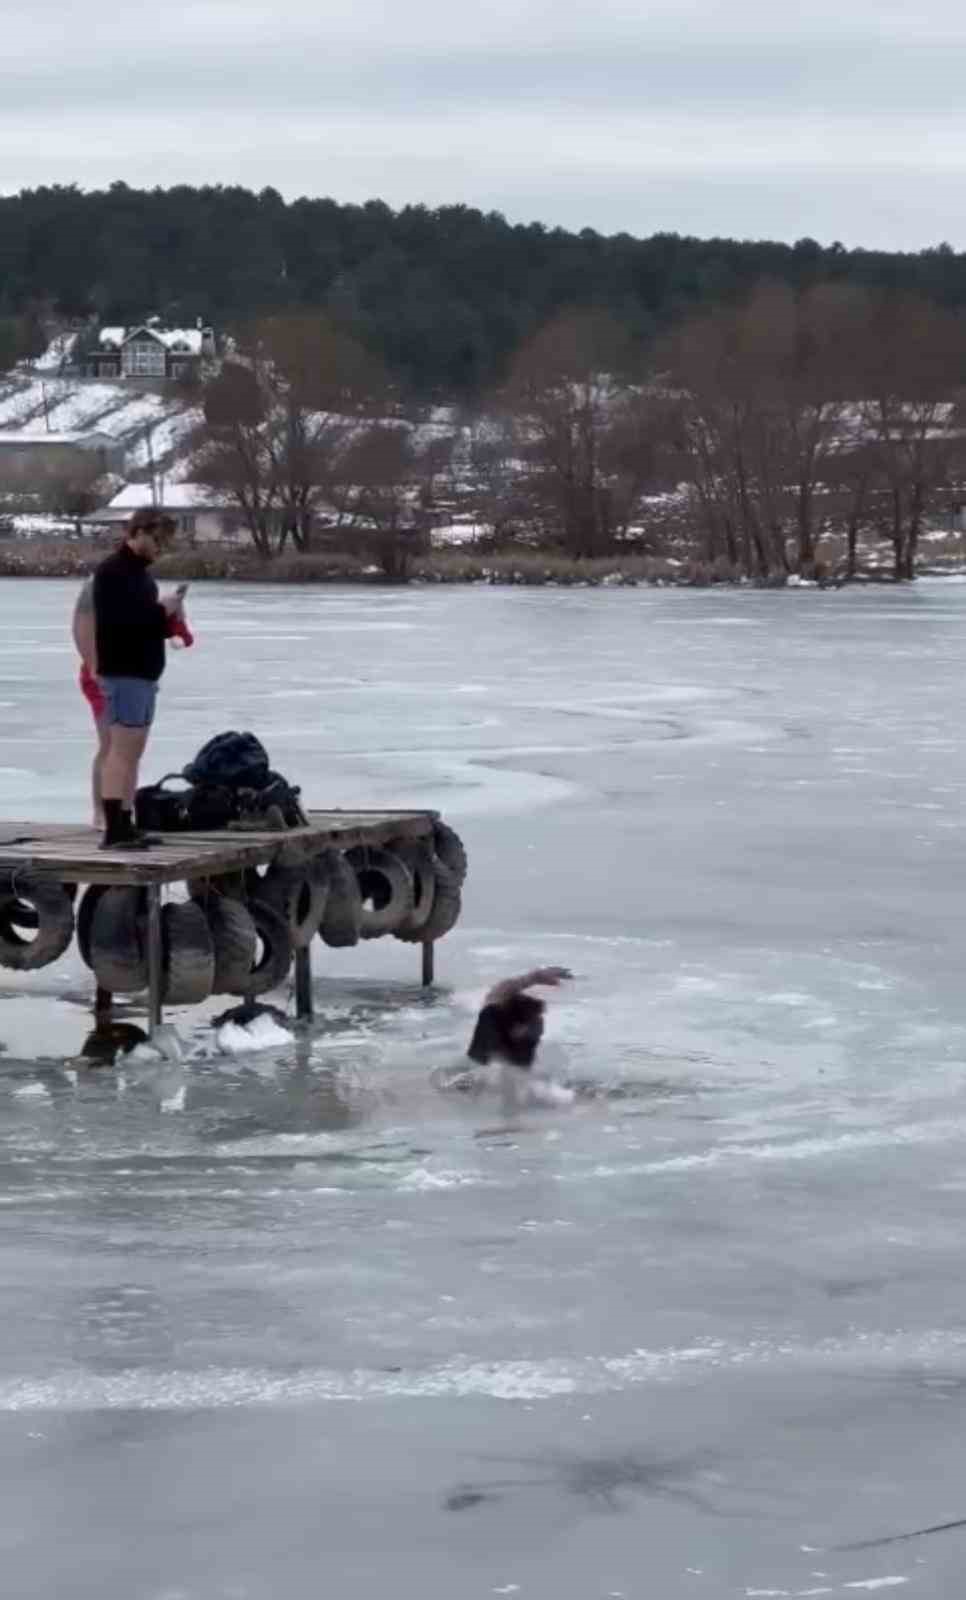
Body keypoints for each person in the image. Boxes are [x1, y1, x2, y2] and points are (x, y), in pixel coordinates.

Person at [92, 508, 186, 850]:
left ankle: (126, 822)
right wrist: (163, 609)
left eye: (165, 542)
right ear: (139, 532)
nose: (161, 547)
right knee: (121, 751)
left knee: (132, 753)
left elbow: (147, 625)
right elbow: (124, 622)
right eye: (158, 539)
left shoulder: (141, 577)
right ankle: (114, 828)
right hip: (124, 672)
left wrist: (169, 617)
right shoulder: (113, 571)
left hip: (142, 674)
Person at [466, 965, 573, 1070]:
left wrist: (536, 976)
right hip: (497, 1029)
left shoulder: (534, 1027)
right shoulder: (491, 1016)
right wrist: (536, 976)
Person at [71, 577, 110, 828]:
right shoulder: (96, 584)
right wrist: (95, 668)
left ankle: (120, 809)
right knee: (109, 743)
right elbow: (80, 628)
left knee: (125, 749)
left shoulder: (136, 581)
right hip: (101, 676)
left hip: (128, 676)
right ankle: (99, 811)